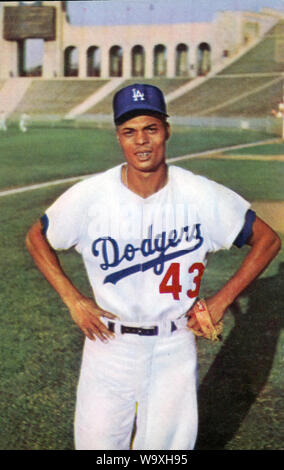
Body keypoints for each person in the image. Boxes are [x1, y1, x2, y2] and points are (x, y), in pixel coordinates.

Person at [25, 83, 281, 450]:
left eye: (151, 129)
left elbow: (267, 240)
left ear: (166, 131)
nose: (141, 141)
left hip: (173, 347)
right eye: (130, 131)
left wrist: (221, 301)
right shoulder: (92, 194)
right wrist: (73, 299)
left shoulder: (199, 194)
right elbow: (37, 237)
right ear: (118, 137)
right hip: (108, 344)